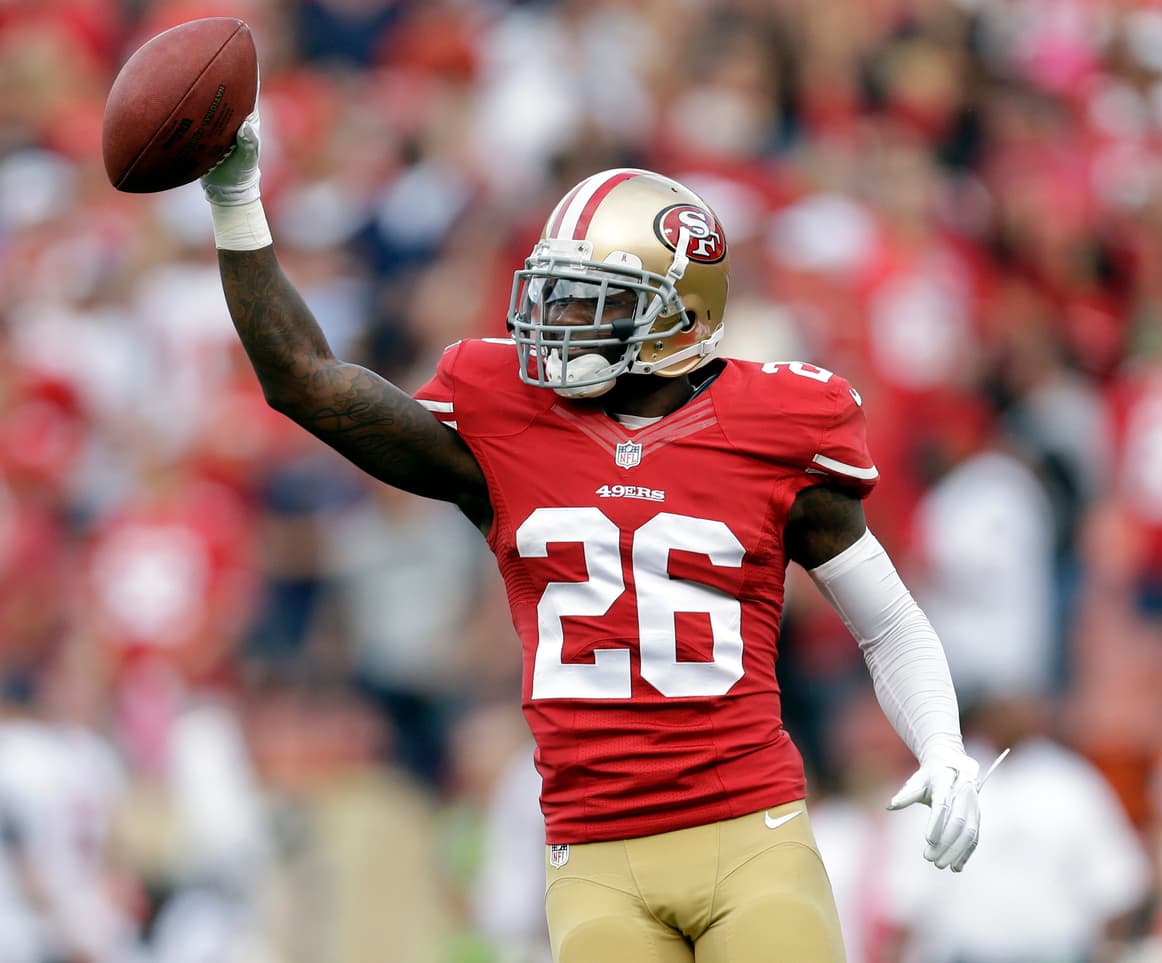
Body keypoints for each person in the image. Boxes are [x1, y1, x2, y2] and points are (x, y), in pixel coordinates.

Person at [196, 109, 989, 963]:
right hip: (592, 855)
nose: (556, 316)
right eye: (554, 289)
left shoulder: (780, 425)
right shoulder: (506, 423)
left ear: (683, 315)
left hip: (749, 833)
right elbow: (306, 382)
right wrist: (237, 200)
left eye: (593, 296)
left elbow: (888, 621)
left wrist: (943, 746)